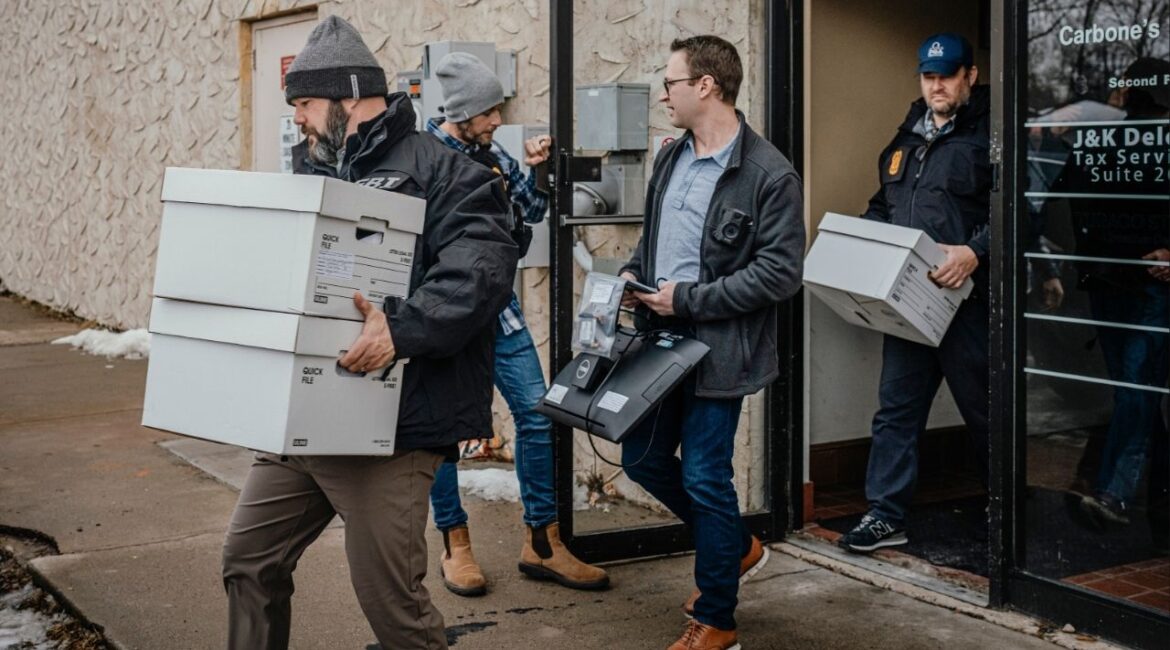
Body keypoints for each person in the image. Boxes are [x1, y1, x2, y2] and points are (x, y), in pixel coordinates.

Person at [220, 16, 517, 650]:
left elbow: (480, 274)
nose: (296, 117)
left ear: (349, 95)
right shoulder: (315, 172)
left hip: (396, 427)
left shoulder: (450, 173)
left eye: (303, 102)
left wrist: (400, 330)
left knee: (392, 608)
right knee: (248, 561)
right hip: (306, 417)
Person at [618, 35, 805, 650]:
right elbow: (655, 241)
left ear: (706, 86)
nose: (663, 93)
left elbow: (780, 274)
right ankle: (736, 545)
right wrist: (631, 274)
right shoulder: (671, 158)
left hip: (720, 351)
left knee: (703, 477)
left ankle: (717, 619)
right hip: (659, 340)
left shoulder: (768, 174)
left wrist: (688, 299)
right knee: (641, 459)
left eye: (670, 82)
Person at [422, 51, 609, 596]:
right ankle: (454, 543)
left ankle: (543, 544)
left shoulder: (492, 154)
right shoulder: (425, 159)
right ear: (462, 111)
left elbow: (530, 210)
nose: (498, 119)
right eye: (490, 111)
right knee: (443, 434)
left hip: (500, 315)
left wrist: (537, 169)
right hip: (446, 318)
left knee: (537, 415)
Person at [837, 33, 992, 554]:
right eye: (929, 76)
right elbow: (884, 205)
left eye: (947, 75)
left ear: (970, 76)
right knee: (896, 411)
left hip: (970, 303)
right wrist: (861, 241)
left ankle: (1007, 514)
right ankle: (885, 515)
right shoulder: (906, 140)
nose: (937, 85)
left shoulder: (993, 135)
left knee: (988, 410)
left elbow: (1020, 208)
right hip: (910, 303)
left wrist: (975, 251)